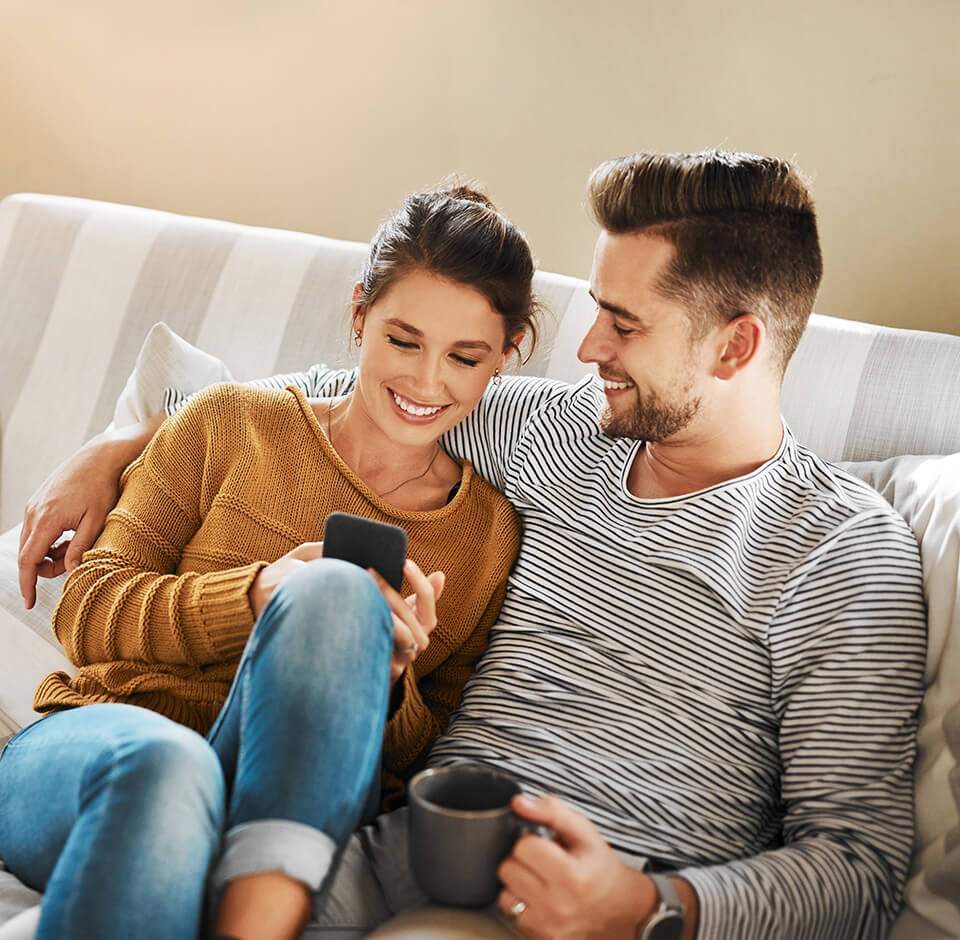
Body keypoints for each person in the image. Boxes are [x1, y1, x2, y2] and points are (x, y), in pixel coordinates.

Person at [16, 150, 926, 940]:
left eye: (624, 322)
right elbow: (341, 400)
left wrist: (656, 908)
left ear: (736, 347)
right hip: (390, 845)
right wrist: (120, 446)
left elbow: (861, 865)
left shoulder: (840, 550)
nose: (588, 347)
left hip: (587, 889)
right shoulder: (557, 431)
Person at [0, 184, 537, 940]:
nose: (425, 382)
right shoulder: (228, 421)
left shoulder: (485, 533)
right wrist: (253, 594)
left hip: (289, 803)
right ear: (359, 315)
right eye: (403, 340)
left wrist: (383, 685)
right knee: (168, 766)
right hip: (107, 747)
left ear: (506, 356)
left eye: (465, 357)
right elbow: (87, 611)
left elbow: (423, 749)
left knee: (338, 599)